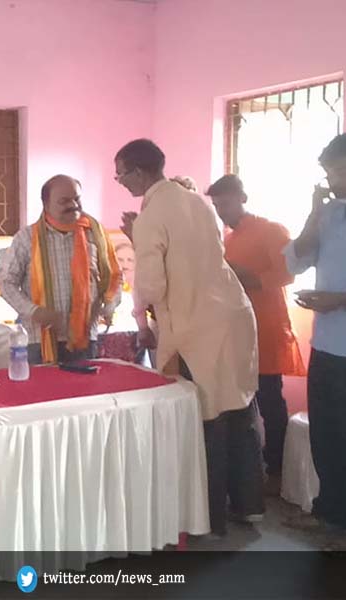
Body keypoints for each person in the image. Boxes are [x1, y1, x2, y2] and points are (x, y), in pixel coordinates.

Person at [115, 138, 263, 536]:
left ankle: (207, 517)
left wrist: (142, 318)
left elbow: (152, 284)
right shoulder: (198, 202)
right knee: (240, 408)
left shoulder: (152, 216)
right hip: (233, 314)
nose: (120, 181)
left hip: (196, 327)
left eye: (121, 174)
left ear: (139, 172)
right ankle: (249, 505)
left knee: (204, 417)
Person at [207, 174, 305, 495]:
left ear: (243, 198)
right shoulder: (228, 239)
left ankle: (278, 472)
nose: (222, 211)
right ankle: (253, 471)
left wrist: (252, 279)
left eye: (226, 203)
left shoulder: (272, 230)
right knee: (243, 405)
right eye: (217, 205)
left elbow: (289, 273)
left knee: (270, 401)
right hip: (237, 332)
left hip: (267, 328)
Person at [283, 133, 346, 540]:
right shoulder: (330, 213)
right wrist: (312, 215)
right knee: (326, 433)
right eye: (327, 172)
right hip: (326, 344)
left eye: (337, 171)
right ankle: (330, 515)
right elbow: (297, 261)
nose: (331, 180)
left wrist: (339, 299)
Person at [0, 174, 121, 364]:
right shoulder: (26, 238)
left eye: (77, 199)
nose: (73, 205)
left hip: (85, 339)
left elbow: (114, 277)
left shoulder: (95, 235)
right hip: (39, 340)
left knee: (84, 384)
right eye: (64, 201)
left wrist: (109, 305)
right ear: (46, 205)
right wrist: (34, 311)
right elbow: (6, 283)